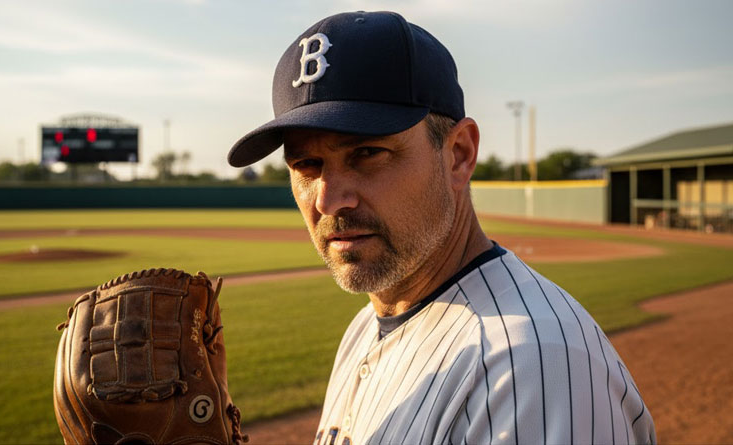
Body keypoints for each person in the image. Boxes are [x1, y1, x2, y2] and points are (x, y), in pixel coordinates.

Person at [228, 11, 656, 445]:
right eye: (306, 164)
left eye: (368, 153)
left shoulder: (533, 364)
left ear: (459, 154)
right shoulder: (364, 326)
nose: (328, 199)